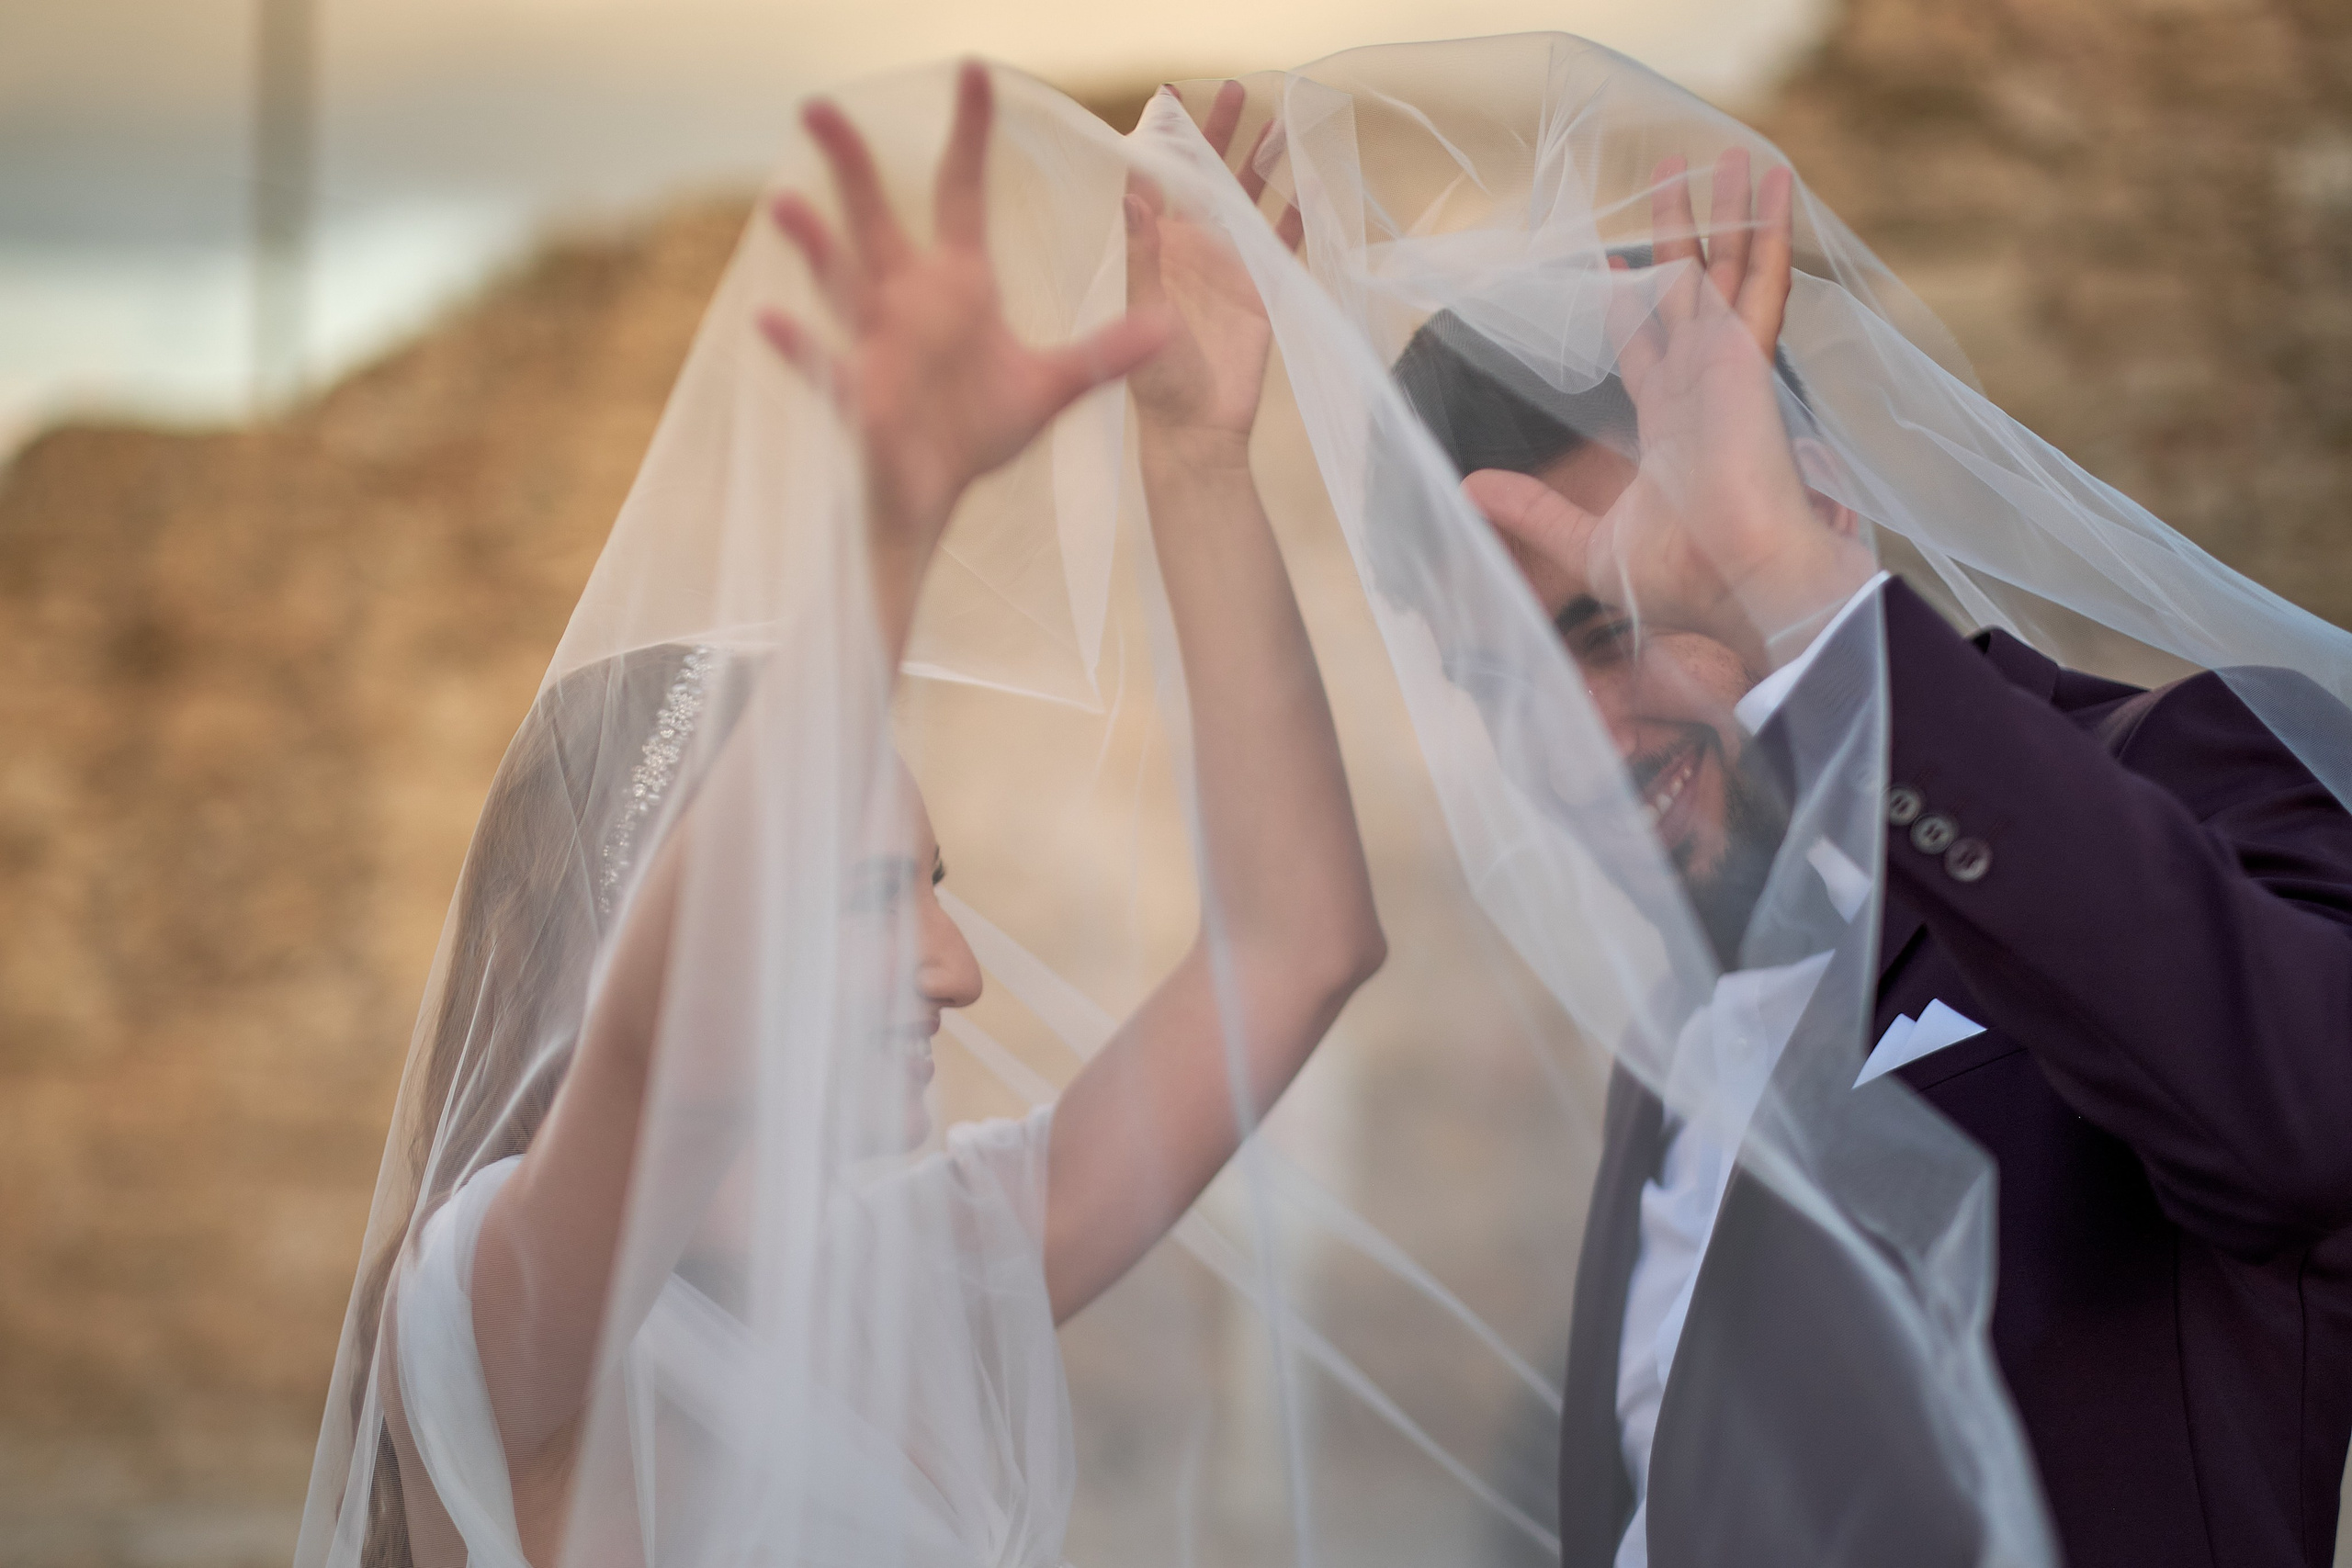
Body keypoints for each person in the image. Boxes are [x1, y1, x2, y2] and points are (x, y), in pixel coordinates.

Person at [335, 68, 1384, 1568]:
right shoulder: (501, 1316)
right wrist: (890, 527)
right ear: (633, 937)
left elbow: (1296, 947)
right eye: (860, 895)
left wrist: (1201, 459)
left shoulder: (920, 1271)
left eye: (933, 886)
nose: (956, 966)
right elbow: (664, 1055)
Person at [1401, 144, 2352, 1568]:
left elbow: (2313, 1127)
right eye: (1506, 683)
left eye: (1616, 628)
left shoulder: (2196, 773)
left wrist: (1792, 597)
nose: (1580, 741)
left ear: (1822, 511)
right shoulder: (1669, 1055)